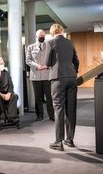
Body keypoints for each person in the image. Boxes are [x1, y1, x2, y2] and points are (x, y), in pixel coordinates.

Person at [47, 23, 79, 151]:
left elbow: (47, 62)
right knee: (71, 109)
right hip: (71, 78)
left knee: (58, 109)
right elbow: (76, 61)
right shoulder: (70, 43)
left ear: (52, 32)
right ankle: (70, 140)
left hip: (58, 79)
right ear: (61, 31)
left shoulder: (51, 43)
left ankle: (58, 142)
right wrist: (73, 72)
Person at [26, 29, 55, 121]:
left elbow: (53, 58)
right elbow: (28, 60)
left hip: (47, 75)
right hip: (36, 76)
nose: (42, 37)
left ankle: (52, 115)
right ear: (36, 36)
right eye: (40, 35)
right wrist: (37, 66)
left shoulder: (49, 46)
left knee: (49, 97)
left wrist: (47, 65)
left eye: (43, 35)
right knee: (38, 97)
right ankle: (39, 115)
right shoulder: (30, 47)